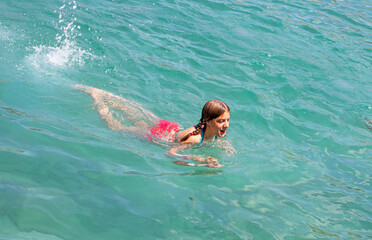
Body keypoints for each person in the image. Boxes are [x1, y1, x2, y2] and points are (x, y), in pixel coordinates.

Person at [74, 84, 232, 168]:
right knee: (115, 127)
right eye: (220, 121)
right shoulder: (195, 139)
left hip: (171, 128)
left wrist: (225, 146)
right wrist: (198, 159)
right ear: (208, 121)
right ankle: (98, 101)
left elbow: (215, 138)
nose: (225, 125)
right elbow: (170, 153)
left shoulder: (215, 131)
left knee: (138, 116)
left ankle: (108, 96)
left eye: (227, 120)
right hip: (157, 135)